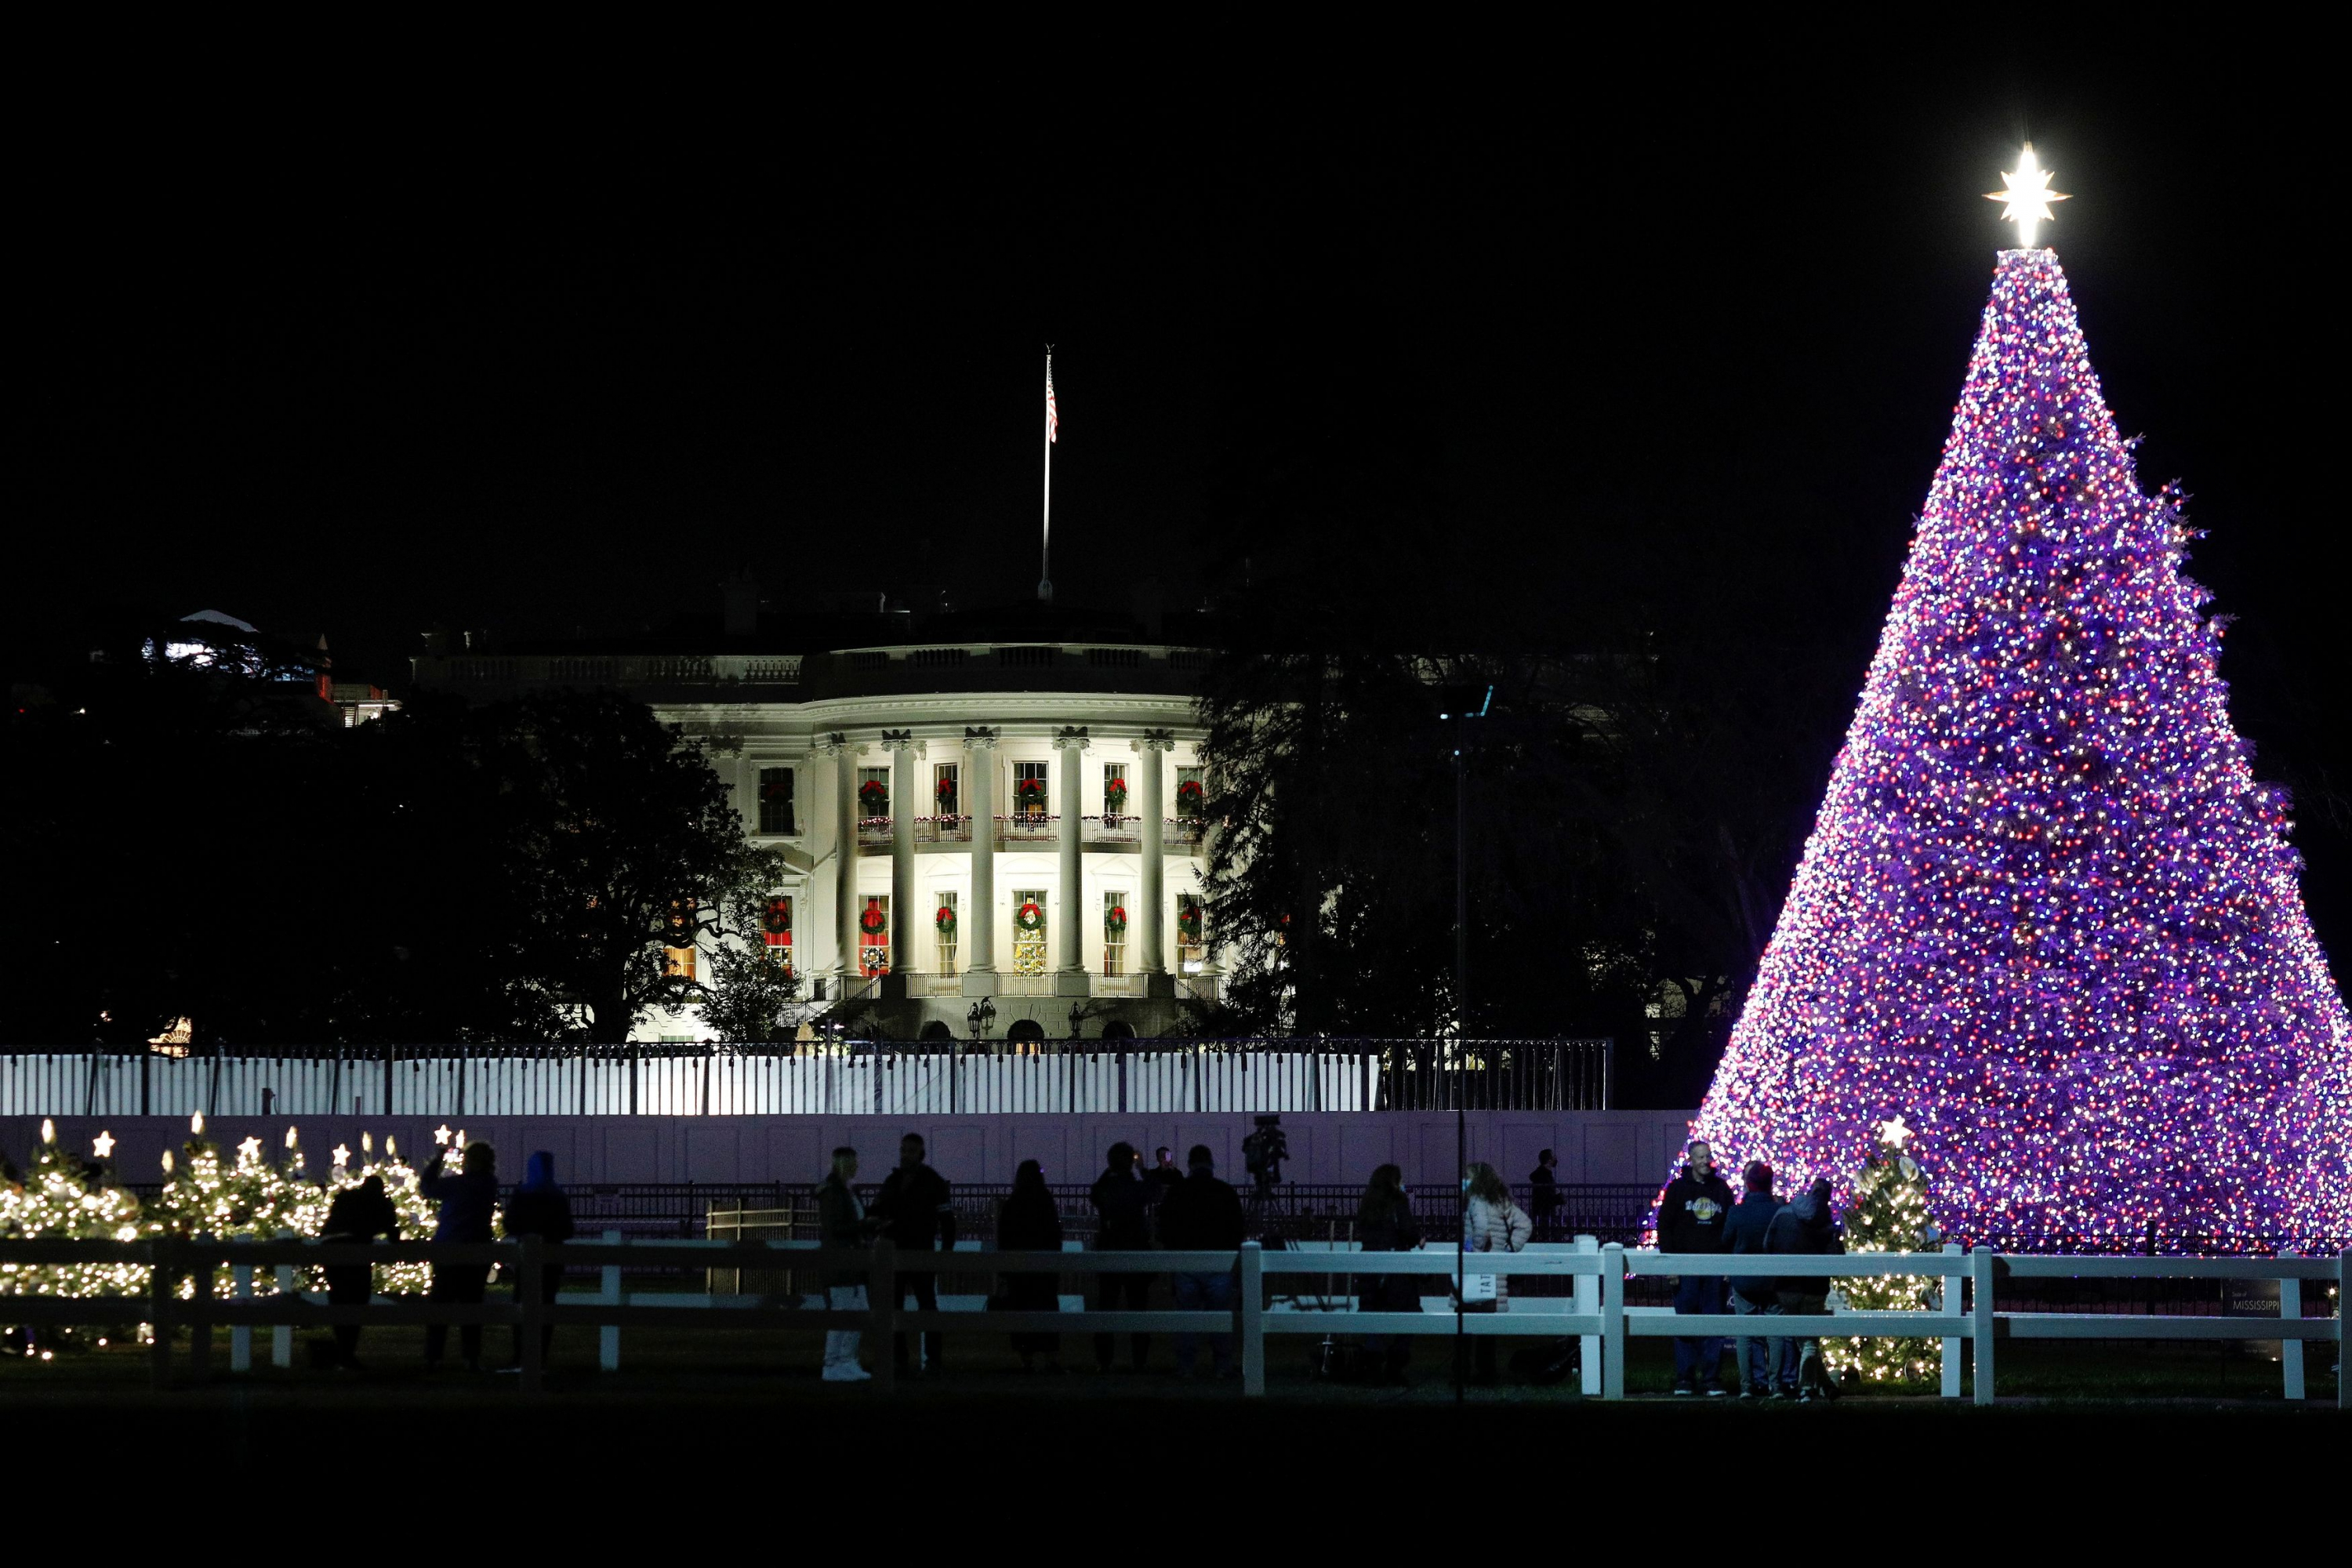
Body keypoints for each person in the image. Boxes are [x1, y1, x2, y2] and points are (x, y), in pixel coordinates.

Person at [1156, 1145, 1247, 1379]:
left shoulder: (1178, 1191)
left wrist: (1173, 1249)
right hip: (1220, 1263)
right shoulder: (1224, 1191)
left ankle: (1186, 1366)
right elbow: (1238, 1228)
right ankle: (1222, 1366)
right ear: (1211, 1163)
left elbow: (1165, 1226)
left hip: (1186, 1262)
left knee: (1186, 1317)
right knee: (1220, 1316)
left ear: (1190, 1164)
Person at [873, 1133, 957, 1374]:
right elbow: (879, 1209)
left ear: (920, 1154)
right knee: (897, 1307)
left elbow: (947, 1220)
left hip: (918, 1253)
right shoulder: (894, 1180)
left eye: (910, 1151)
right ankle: (901, 1359)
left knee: (926, 1307)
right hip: (897, 1254)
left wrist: (946, 1252)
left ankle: (929, 1360)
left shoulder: (932, 1182)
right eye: (903, 1150)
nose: (904, 1155)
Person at [1659, 1137, 1736, 1396]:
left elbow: (1730, 1227)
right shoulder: (1678, 1189)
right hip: (1685, 1267)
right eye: (1700, 1157)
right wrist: (1671, 1265)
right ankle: (1685, 1378)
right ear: (1690, 1160)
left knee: (1714, 1322)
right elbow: (1665, 1226)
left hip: (1715, 1268)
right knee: (1685, 1323)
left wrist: (1728, 1264)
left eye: (1707, 1156)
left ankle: (1712, 1379)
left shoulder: (1722, 1189)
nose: (1705, 1161)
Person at [418, 1140, 498, 1371]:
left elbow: (427, 1187)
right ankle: (470, 1357)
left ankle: (433, 1356)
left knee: (441, 1304)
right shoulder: (489, 1184)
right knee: (472, 1305)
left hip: (449, 1249)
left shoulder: (457, 1185)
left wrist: (439, 1159)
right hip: (478, 1250)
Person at [1767, 1176, 1846, 1402]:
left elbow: (1767, 1244)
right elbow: (1836, 1257)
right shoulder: (1827, 1220)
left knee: (1802, 1341)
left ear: (1810, 1191)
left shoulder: (1785, 1212)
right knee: (1809, 1341)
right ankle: (1806, 1389)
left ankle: (1825, 1385)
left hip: (1786, 1286)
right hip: (1814, 1287)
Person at [1459, 1163, 1532, 1385]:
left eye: (1468, 1178)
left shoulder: (1476, 1200)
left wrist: (1476, 1249)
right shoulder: (1502, 1203)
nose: (1464, 1182)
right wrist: (1509, 1249)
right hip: (1495, 1271)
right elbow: (1525, 1225)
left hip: (1476, 1270)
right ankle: (1487, 1371)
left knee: (1465, 1325)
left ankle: (1462, 1372)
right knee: (1487, 1329)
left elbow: (1480, 1229)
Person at [502, 1150, 575, 1370]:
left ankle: (520, 1356)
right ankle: (540, 1357)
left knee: (521, 1306)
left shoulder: (522, 1194)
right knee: (546, 1308)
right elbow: (567, 1230)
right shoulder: (558, 1195)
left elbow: (509, 1225)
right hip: (551, 1260)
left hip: (525, 1258)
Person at [1723, 1160, 1790, 1399]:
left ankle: (1746, 1386)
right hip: (1773, 1281)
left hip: (1744, 1281)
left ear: (1749, 1184)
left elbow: (1725, 1240)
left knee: (1744, 1332)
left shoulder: (1737, 1212)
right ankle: (1776, 1385)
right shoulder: (1780, 1211)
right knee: (1775, 1331)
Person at [1087, 1142, 1156, 1372]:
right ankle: (1140, 1360)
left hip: (1109, 1252)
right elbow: (1156, 1191)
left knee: (1106, 1308)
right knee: (1139, 1309)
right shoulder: (1136, 1189)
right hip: (1136, 1252)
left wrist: (1111, 1170)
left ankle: (1104, 1361)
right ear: (1131, 1161)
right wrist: (1142, 1168)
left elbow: (1094, 1192)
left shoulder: (1106, 1189)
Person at [319, 1174, 398, 1369]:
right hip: (356, 1250)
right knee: (357, 1299)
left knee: (338, 1298)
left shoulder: (345, 1197)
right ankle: (346, 1353)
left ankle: (343, 1353)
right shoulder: (381, 1202)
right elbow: (392, 1232)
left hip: (330, 1247)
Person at [1355, 1163, 1423, 1384]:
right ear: (1394, 1182)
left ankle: (1372, 1366)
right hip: (1395, 1273)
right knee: (1411, 1314)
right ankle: (1395, 1365)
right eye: (1401, 1180)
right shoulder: (1398, 1202)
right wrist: (1418, 1238)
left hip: (1370, 1271)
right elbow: (1407, 1230)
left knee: (1374, 1315)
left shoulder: (1368, 1204)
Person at [994, 1159, 1065, 1372]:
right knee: (1046, 1310)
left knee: (1022, 1310)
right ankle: (1051, 1358)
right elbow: (1054, 1233)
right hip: (1044, 1268)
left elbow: (1004, 1237)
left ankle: (1026, 1359)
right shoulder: (1045, 1200)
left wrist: (1005, 1269)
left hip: (1019, 1268)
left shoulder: (1012, 1203)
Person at [817, 1146, 877, 1383]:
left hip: (851, 1260)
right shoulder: (835, 1193)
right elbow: (835, 1228)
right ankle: (834, 1363)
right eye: (854, 1162)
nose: (857, 1166)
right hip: (843, 1262)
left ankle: (845, 1361)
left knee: (855, 1312)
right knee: (844, 1314)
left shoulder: (845, 1191)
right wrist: (865, 1226)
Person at [1527, 1149, 1561, 1242]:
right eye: (1553, 1156)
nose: (1556, 1158)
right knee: (1545, 1236)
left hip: (1543, 1211)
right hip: (1544, 1212)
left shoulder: (1542, 1174)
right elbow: (1545, 1196)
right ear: (1549, 1160)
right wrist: (1558, 1199)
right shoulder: (1543, 1176)